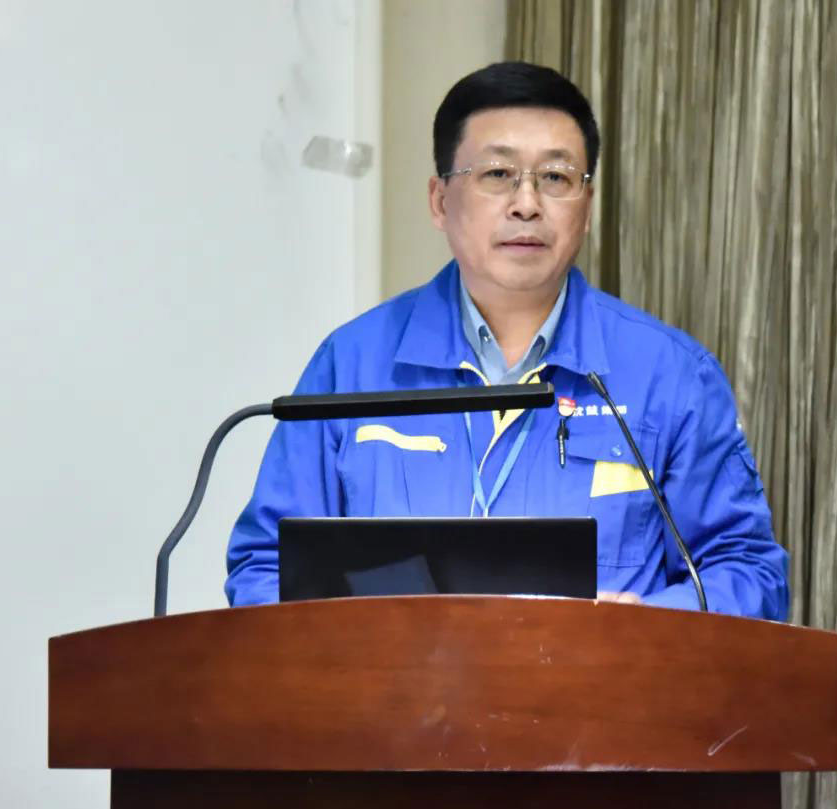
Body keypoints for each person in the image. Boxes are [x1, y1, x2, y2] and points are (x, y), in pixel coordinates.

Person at [225, 61, 789, 620]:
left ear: (587, 208)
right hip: (389, 679)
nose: (527, 203)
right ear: (440, 201)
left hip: (599, 678)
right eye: (497, 174)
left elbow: (748, 571)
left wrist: (641, 624)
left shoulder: (670, 374)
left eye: (556, 178)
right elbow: (265, 565)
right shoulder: (351, 365)